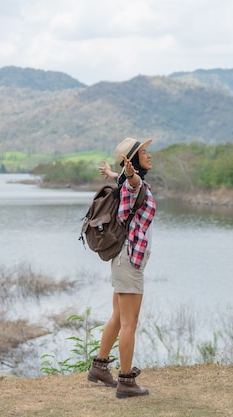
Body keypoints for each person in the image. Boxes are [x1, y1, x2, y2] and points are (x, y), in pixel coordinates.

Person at [87, 137, 156, 399]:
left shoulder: (126, 183)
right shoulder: (132, 185)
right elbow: (133, 183)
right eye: (145, 152)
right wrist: (128, 175)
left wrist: (114, 173)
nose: (150, 155)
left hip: (123, 259)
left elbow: (128, 181)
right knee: (130, 322)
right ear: (133, 160)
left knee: (118, 317)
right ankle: (126, 381)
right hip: (129, 261)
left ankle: (99, 368)